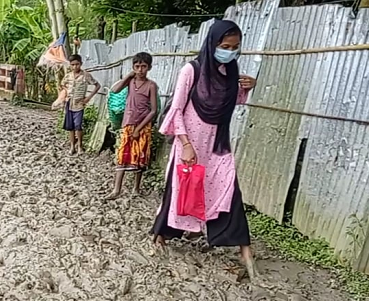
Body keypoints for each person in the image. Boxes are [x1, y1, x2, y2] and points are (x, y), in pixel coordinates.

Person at [149, 20, 258, 278]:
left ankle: (245, 251)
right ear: (212, 44)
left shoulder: (230, 72)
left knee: (228, 189)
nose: (230, 52)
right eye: (225, 46)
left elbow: (230, 104)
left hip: (216, 144)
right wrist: (185, 144)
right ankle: (160, 236)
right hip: (189, 143)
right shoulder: (192, 70)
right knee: (180, 191)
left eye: (235, 47)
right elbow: (176, 110)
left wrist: (245, 90)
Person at [106, 52, 158, 199]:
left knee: (140, 157)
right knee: (122, 156)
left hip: (143, 126)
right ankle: (116, 190)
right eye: (137, 66)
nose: (140, 70)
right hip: (127, 124)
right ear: (133, 67)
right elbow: (114, 90)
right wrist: (128, 76)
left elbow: (153, 111)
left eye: (143, 66)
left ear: (149, 67)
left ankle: (136, 188)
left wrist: (139, 128)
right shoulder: (130, 82)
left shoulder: (151, 85)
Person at [60, 54, 100, 155]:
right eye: (72, 65)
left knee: (78, 125)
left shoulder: (85, 75)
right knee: (70, 126)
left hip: (79, 104)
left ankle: (80, 146)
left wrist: (88, 98)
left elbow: (97, 85)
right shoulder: (68, 76)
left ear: (81, 64)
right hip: (69, 103)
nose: (75, 67)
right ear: (70, 65)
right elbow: (62, 84)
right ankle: (72, 146)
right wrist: (66, 94)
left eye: (77, 64)